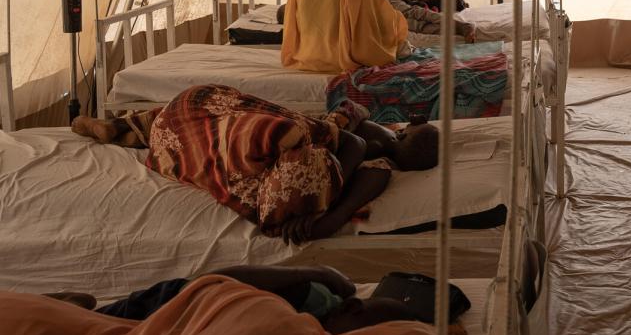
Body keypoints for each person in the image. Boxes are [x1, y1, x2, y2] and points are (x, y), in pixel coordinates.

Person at [71, 84, 439, 243]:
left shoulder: (376, 149)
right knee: (220, 132)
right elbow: (349, 141)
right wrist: (331, 217)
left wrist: (331, 217)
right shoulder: (379, 156)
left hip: (198, 101)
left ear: (407, 131)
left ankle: (124, 125)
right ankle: (130, 128)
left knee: (217, 120)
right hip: (261, 132)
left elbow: (352, 136)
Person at [1, 273, 437, 335]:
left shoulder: (293, 320)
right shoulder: (312, 307)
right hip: (176, 305)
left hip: (168, 317)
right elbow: (213, 281)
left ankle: (63, 304)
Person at [43, 264, 470, 335]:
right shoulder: (317, 298)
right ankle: (67, 305)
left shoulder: (325, 332)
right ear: (351, 308)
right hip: (180, 301)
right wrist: (315, 272)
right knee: (103, 326)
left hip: (196, 321)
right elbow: (222, 277)